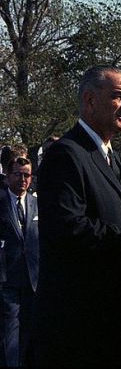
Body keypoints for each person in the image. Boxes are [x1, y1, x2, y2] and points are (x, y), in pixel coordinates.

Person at [33, 65, 121, 367]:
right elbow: (70, 228)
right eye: (118, 97)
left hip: (110, 322)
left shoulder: (111, 157)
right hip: (78, 329)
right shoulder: (66, 155)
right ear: (90, 101)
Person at [0, 156, 39, 367]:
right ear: (8, 176)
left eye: (27, 175)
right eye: (18, 174)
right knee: (10, 334)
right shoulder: (1, 202)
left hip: (33, 280)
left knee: (31, 332)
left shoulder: (36, 203)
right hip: (8, 280)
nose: (23, 179)